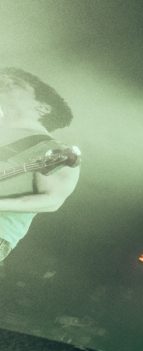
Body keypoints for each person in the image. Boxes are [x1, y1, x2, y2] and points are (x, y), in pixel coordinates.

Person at [0, 68, 79, 263]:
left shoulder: (54, 150)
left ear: (42, 108)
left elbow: (52, 200)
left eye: (16, 83)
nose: (4, 81)